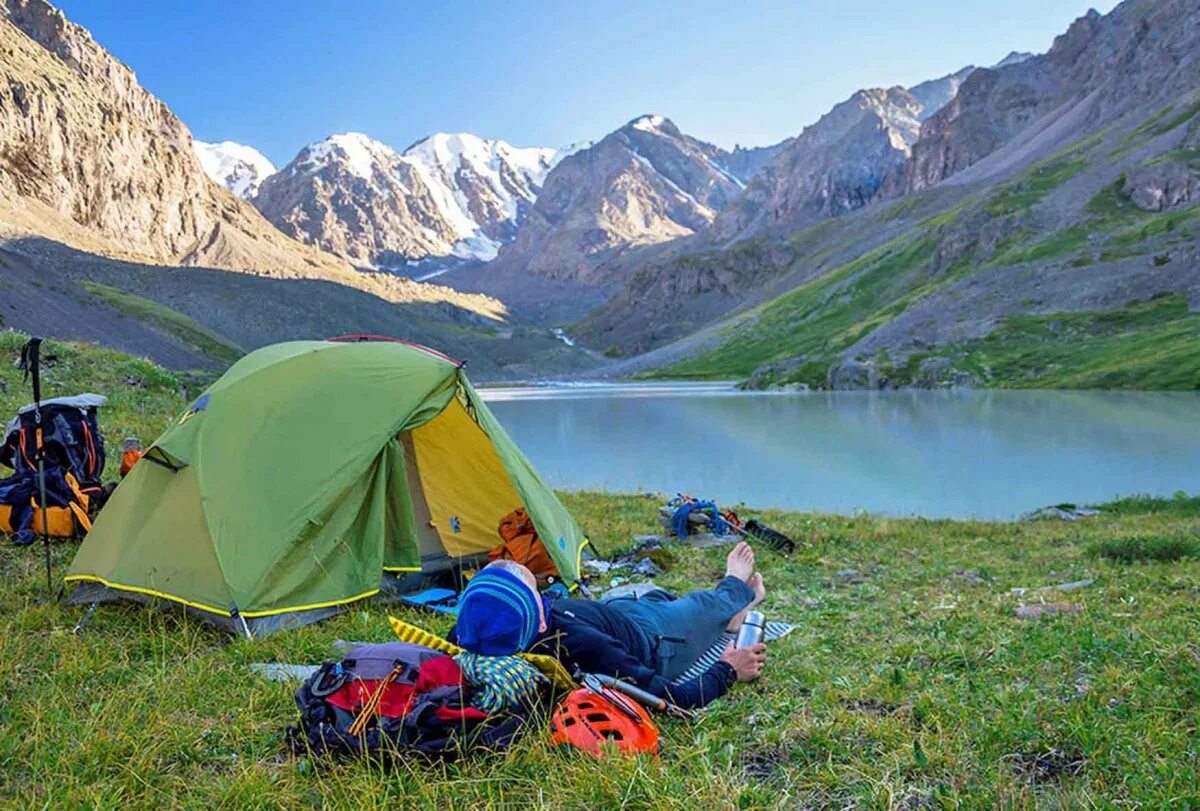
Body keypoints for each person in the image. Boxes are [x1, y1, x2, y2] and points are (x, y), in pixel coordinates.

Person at [450, 542, 768, 709]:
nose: (546, 597)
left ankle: (731, 616)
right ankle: (735, 588)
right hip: (654, 637)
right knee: (700, 606)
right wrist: (728, 670)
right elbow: (674, 699)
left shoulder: (468, 634)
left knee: (659, 597)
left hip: (612, 611)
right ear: (538, 617)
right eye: (539, 595)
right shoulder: (579, 643)